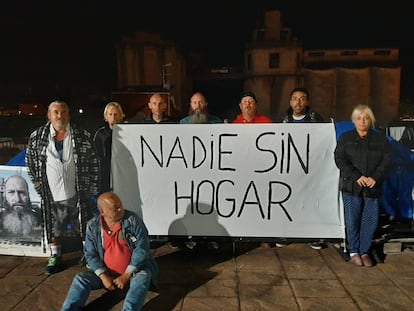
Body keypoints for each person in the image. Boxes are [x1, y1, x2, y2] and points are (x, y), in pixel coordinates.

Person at [26, 100, 100, 275]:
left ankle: (89, 256)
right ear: (49, 115)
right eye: (56, 112)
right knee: (54, 226)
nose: (60, 116)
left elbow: (94, 161)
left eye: (63, 112)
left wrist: (92, 187)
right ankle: (55, 256)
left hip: (79, 190)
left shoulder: (81, 135)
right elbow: (30, 163)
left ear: (68, 115)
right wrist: (38, 185)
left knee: (84, 225)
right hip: (51, 192)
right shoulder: (37, 137)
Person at [61, 192, 158, 310]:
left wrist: (127, 275)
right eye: (115, 208)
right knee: (80, 279)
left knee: (143, 276)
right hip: (107, 274)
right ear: (102, 212)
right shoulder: (93, 226)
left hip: (132, 273)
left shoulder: (133, 221)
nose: (120, 209)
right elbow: (90, 254)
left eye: (120, 205)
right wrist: (103, 276)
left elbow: (142, 248)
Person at [334, 104, 391, 267]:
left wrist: (375, 177)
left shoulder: (380, 139)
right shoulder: (346, 138)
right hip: (352, 186)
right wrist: (356, 176)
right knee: (352, 220)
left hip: (373, 187)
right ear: (353, 120)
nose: (362, 121)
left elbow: (387, 160)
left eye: (366, 118)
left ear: (371, 120)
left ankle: (365, 251)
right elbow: (340, 159)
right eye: (359, 118)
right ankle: (354, 251)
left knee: (370, 220)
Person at [275, 87, 326, 250]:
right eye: (295, 98)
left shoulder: (316, 118)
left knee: (310, 202)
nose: (298, 102)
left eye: (302, 98)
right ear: (290, 102)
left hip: (311, 169)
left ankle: (313, 235)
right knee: (287, 200)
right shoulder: (282, 119)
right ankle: (285, 233)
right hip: (289, 168)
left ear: (307, 102)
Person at [180, 92, 221, 250]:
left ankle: (212, 237)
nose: (197, 106)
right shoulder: (183, 123)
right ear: (190, 105)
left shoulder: (216, 122)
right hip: (190, 172)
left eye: (200, 102)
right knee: (192, 204)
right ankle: (192, 236)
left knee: (211, 205)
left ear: (205, 104)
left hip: (211, 171)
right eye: (194, 102)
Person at [232, 91, 272, 248]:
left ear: (256, 105)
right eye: (245, 101)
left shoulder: (266, 122)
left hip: (262, 171)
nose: (248, 104)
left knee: (262, 203)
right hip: (241, 172)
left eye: (251, 101)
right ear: (240, 106)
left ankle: (264, 236)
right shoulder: (233, 126)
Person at [93, 102, 125, 194]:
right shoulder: (100, 134)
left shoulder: (128, 132)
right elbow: (96, 155)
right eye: (110, 114)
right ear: (106, 116)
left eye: (116, 114)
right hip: (105, 174)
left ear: (121, 115)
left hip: (123, 172)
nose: (113, 117)